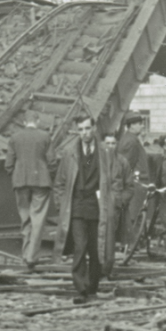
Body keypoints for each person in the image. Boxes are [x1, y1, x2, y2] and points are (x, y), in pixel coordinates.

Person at [53, 114, 118, 304]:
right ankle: (81, 289)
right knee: (80, 247)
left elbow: (115, 180)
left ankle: (92, 288)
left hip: (98, 207)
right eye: (80, 129)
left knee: (96, 249)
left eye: (87, 129)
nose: (84, 133)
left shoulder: (105, 152)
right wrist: (62, 205)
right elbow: (60, 183)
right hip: (77, 207)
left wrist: (111, 202)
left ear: (94, 128)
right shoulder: (69, 153)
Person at [4, 114, 52, 270]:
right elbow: (52, 160)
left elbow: (8, 164)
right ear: (37, 121)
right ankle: (32, 257)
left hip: (21, 182)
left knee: (25, 219)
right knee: (37, 219)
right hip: (41, 182)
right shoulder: (45, 136)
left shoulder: (15, 137)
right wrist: (46, 173)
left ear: (24, 122)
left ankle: (25, 255)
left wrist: (16, 175)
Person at [117, 112, 151, 249]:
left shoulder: (130, 139)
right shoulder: (131, 141)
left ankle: (132, 245)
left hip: (137, 182)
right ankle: (130, 245)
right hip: (136, 183)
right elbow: (126, 165)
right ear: (131, 126)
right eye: (139, 124)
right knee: (133, 215)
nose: (142, 126)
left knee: (135, 215)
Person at [103, 132, 134, 274]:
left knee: (111, 236)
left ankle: (108, 265)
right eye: (107, 143)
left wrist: (121, 201)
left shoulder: (122, 162)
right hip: (98, 204)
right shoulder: (96, 161)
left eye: (113, 143)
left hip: (115, 206)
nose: (110, 146)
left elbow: (129, 185)